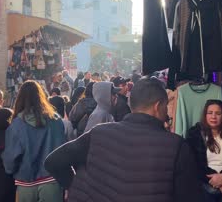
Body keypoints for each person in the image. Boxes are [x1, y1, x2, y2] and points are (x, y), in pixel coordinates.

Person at [45, 77, 204, 201]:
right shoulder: (176, 146)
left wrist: (75, 187)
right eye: (166, 106)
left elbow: (53, 161)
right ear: (157, 106)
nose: (167, 112)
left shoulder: (99, 133)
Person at [2, 81, 66, 202]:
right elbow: (62, 151)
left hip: (26, 182)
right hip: (51, 180)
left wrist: (11, 170)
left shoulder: (16, 124)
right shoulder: (56, 120)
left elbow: (10, 159)